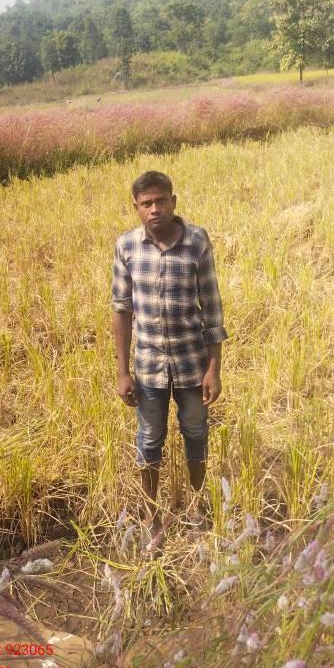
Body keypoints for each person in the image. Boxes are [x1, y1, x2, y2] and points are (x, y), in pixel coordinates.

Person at [111, 170, 228, 549]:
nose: (155, 209)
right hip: (148, 368)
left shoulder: (196, 242)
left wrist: (214, 369)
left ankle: (197, 507)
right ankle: (151, 515)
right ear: (136, 208)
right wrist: (122, 372)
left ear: (173, 202)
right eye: (146, 203)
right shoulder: (127, 246)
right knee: (149, 440)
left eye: (161, 200)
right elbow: (121, 310)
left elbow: (212, 308)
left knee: (196, 432)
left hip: (193, 364)